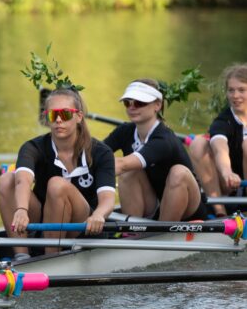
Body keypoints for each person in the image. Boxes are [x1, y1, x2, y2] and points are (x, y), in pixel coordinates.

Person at [0, 88, 116, 257]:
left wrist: (98, 214)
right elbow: (22, 180)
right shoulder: (32, 147)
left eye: (65, 114)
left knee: (56, 184)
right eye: (53, 115)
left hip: (83, 225)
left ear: (79, 117)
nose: (59, 120)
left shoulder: (101, 152)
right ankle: (22, 255)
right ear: (47, 118)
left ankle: (51, 257)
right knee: (6, 180)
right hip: (43, 218)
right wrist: (21, 209)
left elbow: (107, 200)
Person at [104, 79, 207, 221]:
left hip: (190, 211)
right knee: (129, 171)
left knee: (178, 172)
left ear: (157, 105)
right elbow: (95, 155)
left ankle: (162, 233)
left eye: (139, 103)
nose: (132, 107)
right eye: (128, 102)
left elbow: (121, 164)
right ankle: (133, 231)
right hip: (156, 202)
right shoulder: (124, 131)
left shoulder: (164, 139)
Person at [188, 63, 247, 217]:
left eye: (241, 90)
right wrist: (227, 173)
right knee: (198, 144)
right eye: (231, 90)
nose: (235, 96)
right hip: (230, 185)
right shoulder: (223, 121)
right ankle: (219, 212)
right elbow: (220, 147)